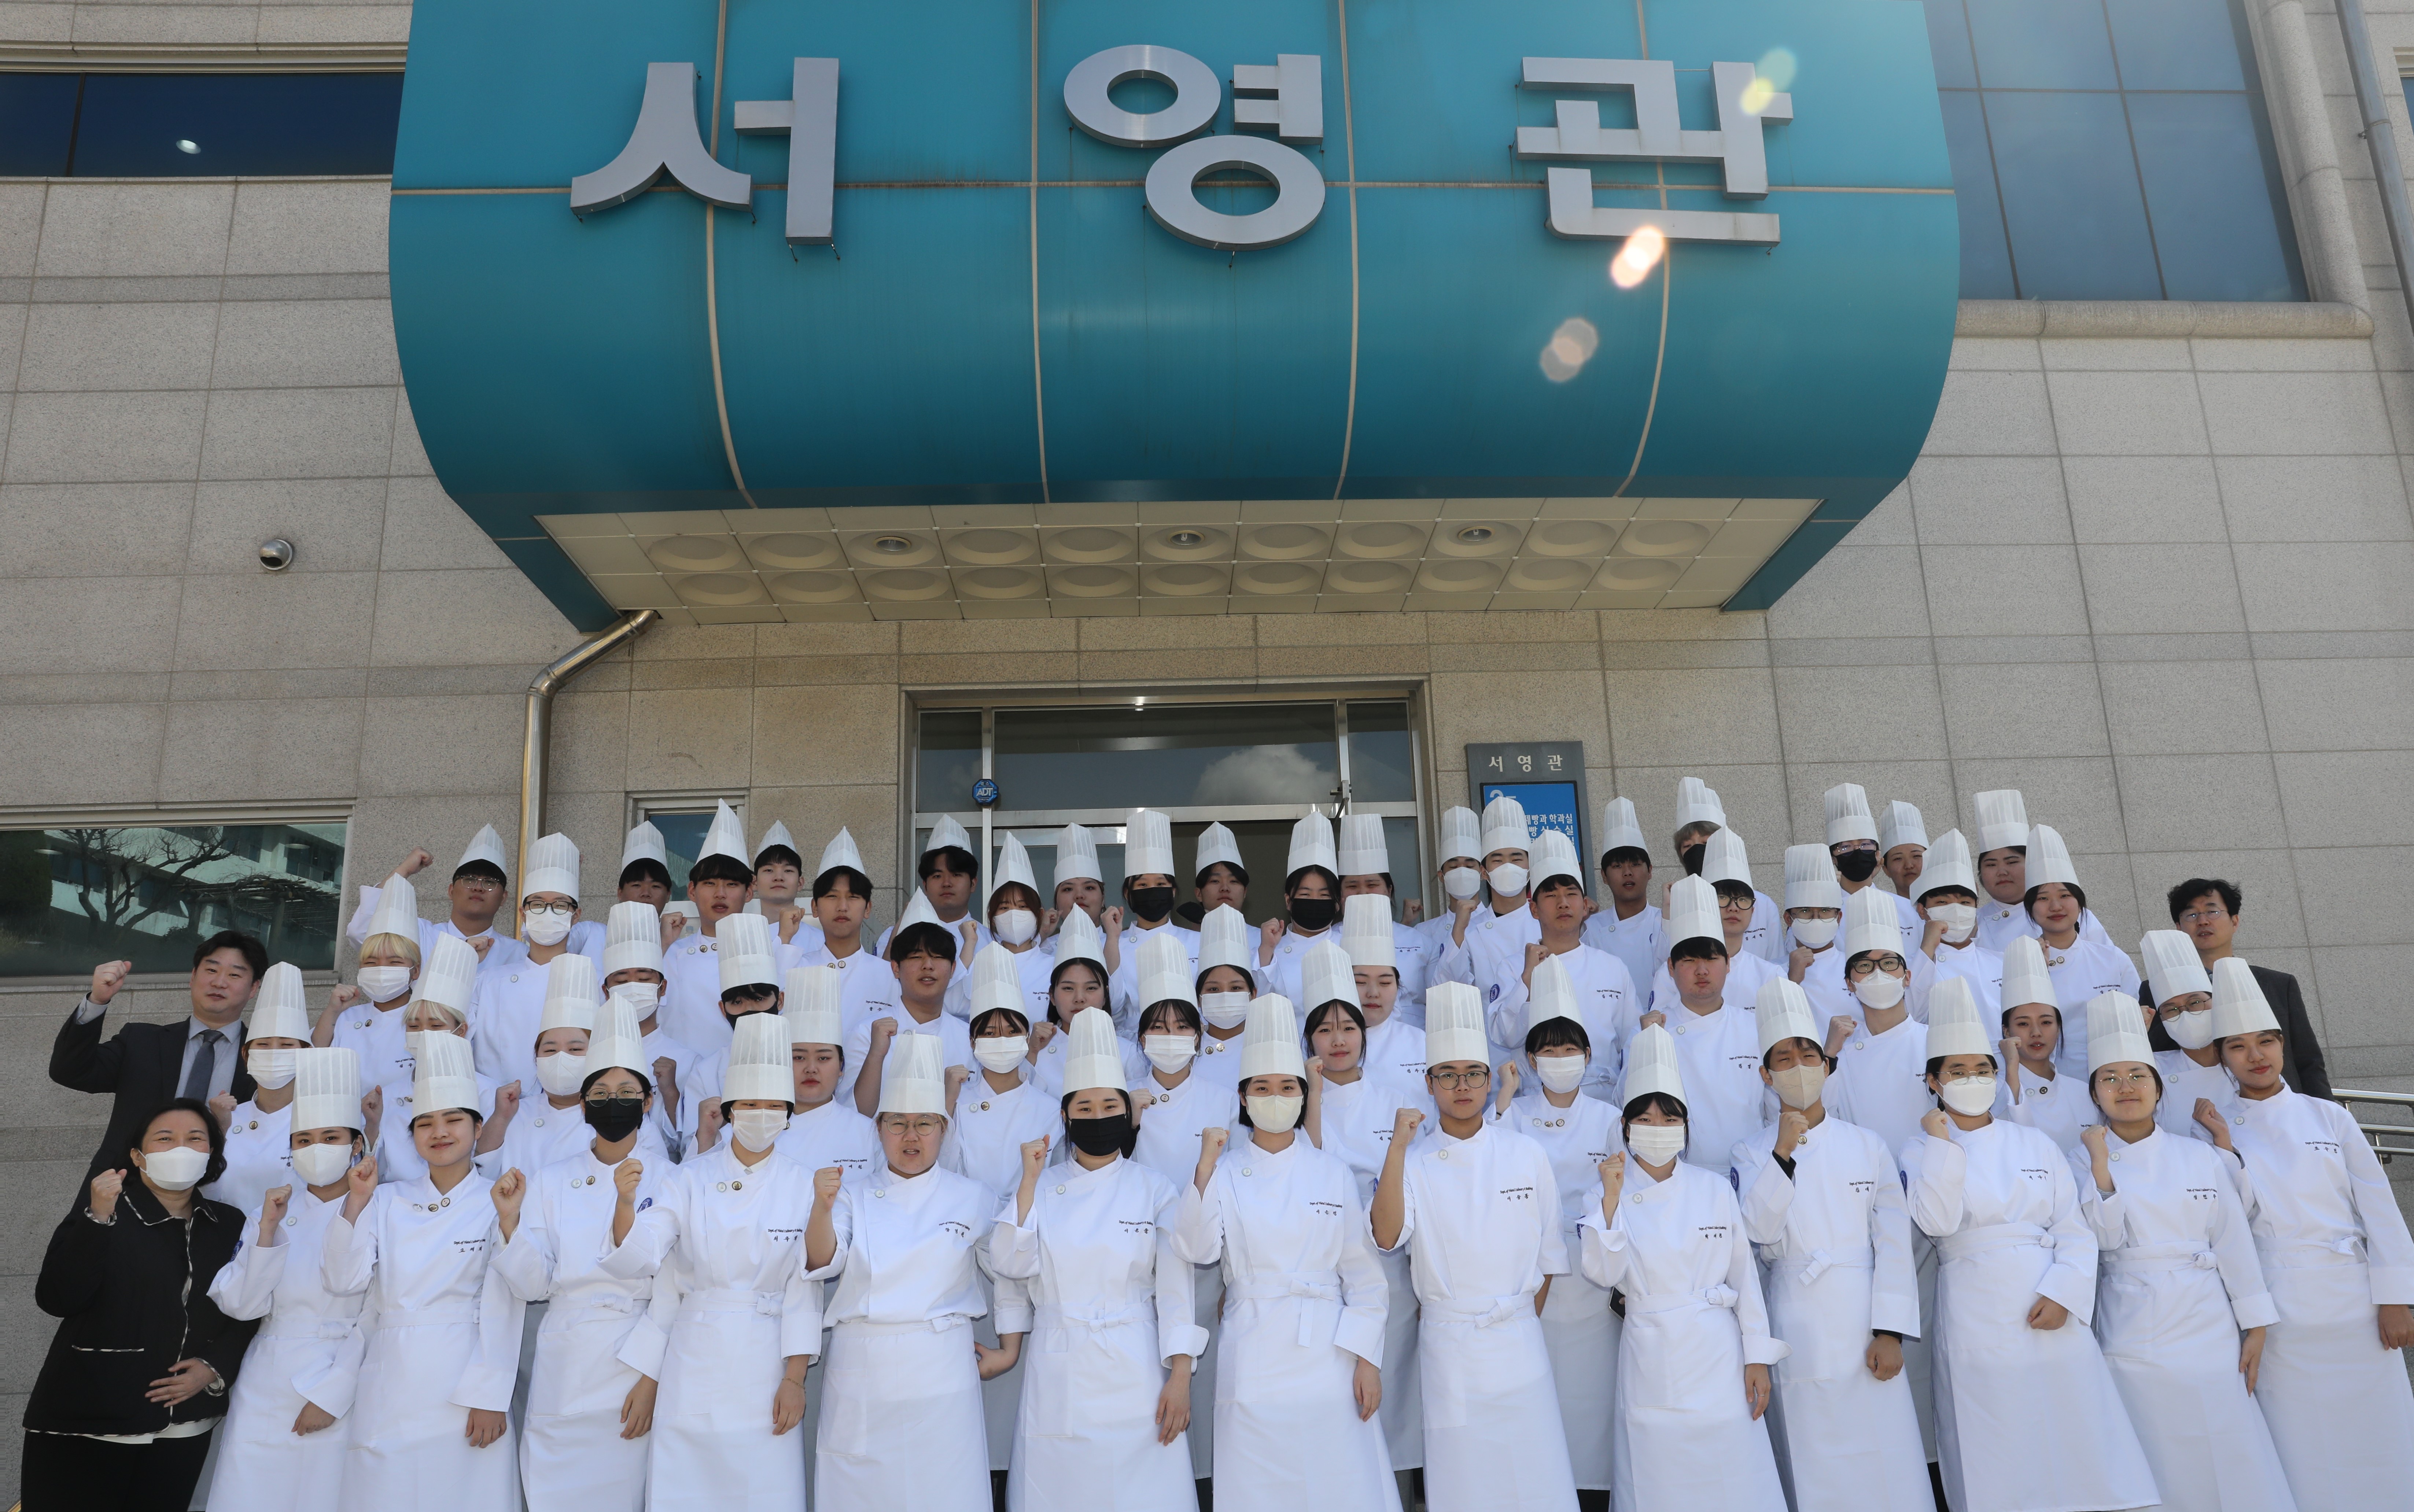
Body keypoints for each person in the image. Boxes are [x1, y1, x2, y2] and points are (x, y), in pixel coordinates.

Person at [1900, 978, 2157, 1512]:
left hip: (2050, 1302)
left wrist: (2063, 1292)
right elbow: (1937, 1222)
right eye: (1957, 1071)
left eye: (1981, 1069)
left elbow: (2072, 1227)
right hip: (1976, 1309)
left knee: (2076, 1431)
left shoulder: (2032, 1140)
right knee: (1996, 1439)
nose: (1972, 1079)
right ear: (1932, 1081)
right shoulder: (1919, 1149)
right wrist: (1942, 1144)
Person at [2070, 991, 2296, 1512]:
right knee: (2155, 1451)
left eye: (2137, 1075)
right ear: (2094, 1094)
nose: (2125, 1087)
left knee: (2227, 1442)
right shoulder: (2077, 1160)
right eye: (2109, 1078)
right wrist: (2100, 1166)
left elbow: (2233, 1241)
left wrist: (2255, 1324)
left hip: (2209, 1326)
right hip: (2129, 1327)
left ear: (2157, 1088)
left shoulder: (2198, 1155)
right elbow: (2102, 1241)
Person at [2202, 957, 2414, 1508]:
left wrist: (2394, 1297)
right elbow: (2226, 1227)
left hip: (2356, 1304)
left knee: (2379, 1430)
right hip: (2280, 1311)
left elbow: (2379, 1208)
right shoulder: (2212, 1127)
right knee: (2300, 1441)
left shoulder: (2328, 1116)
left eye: (2266, 1041)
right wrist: (2223, 1151)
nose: (2255, 1055)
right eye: (2238, 1046)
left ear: (2281, 1046)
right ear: (2221, 1057)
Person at [1175, 993, 1398, 1512]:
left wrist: (1367, 1360)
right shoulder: (1224, 1172)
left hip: (1329, 1354)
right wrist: (1203, 1170)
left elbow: (1364, 1279)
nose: (1274, 1096)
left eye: (1286, 1087)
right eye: (1261, 1087)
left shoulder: (1331, 1171)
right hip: (1253, 1348)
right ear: (1243, 1098)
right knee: (1259, 1484)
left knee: (1338, 1481)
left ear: (1302, 1095)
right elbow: (1196, 1248)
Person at [601, 1011, 820, 1510]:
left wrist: (794, 1378)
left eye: (773, 1105)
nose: (761, 1114)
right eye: (749, 1104)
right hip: (693, 1361)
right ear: (729, 1110)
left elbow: (804, 1289)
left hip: (766, 1364)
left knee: (763, 1492)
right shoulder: (688, 1178)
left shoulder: (804, 1184)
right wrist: (624, 1205)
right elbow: (649, 1263)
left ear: (788, 1114)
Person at [1374, 981, 1577, 1512]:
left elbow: (1548, 1259)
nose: (1461, 1085)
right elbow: (1386, 1235)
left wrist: (1514, 1321)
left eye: (1472, 1073)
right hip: (1451, 1348)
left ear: (1489, 1080)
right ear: (1429, 1083)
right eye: (1447, 1074)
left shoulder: (1526, 1153)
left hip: (1519, 1342)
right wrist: (1395, 1149)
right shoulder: (1412, 1161)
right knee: (1464, 1484)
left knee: (1535, 1479)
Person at [991, 1008, 1203, 1509]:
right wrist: (1027, 1182)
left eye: (1109, 1105)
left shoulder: (1154, 1188)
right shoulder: (1039, 1187)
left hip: (1137, 1363)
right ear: (1065, 1118)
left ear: (1126, 1113)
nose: (1096, 1116)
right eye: (1083, 1107)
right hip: (1060, 1362)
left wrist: (1179, 1376)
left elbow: (1176, 1291)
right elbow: (1010, 1265)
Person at [1730, 980, 1928, 1512]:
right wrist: (1782, 1154)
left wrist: (1889, 1330)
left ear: (1825, 1064)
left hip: (1865, 1320)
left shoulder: (1867, 1144)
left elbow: (1892, 1244)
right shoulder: (1748, 1152)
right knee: (1814, 1457)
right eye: (1783, 1059)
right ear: (1765, 1075)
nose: (1798, 1067)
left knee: (1884, 1453)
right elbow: (1758, 1231)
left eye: (1808, 1055)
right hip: (1797, 1318)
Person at [1578, 1024, 1787, 1512]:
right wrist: (1610, 1200)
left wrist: (1756, 1356)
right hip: (1652, 1354)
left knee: (1732, 1475)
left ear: (1685, 1126)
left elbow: (1744, 1278)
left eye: (1669, 1118)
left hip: (1718, 1355)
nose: (1657, 1127)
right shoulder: (1603, 1193)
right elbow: (1603, 1273)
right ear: (1626, 1126)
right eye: (1644, 1118)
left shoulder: (1712, 1187)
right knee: (1659, 1477)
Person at [321, 1033, 527, 1512]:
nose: (439, 1132)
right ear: (411, 1134)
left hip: (464, 1386)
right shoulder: (386, 1198)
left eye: (453, 1119)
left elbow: (514, 1296)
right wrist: (355, 1202)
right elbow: (344, 1281)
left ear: (478, 1127)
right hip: (390, 1381)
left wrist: (490, 1394)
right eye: (425, 1123)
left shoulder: (499, 1198)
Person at [23, 1098, 258, 1511]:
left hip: (185, 1421)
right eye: (165, 1139)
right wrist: (97, 1219)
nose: (181, 1148)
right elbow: (58, 1298)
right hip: (90, 1417)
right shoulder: (103, 1213)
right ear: (137, 1156)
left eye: (195, 1139)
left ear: (211, 1152)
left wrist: (213, 1367)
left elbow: (248, 1309)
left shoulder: (231, 1224)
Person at [805, 1033, 1002, 1512]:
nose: (910, 1136)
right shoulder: (851, 1194)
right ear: (878, 1129)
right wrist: (821, 1208)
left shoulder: (973, 1197)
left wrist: (1012, 1345)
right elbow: (823, 1261)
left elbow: (1010, 1269)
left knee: (946, 1493)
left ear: (943, 1128)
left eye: (924, 1124)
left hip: (941, 1367)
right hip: (863, 1366)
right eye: (897, 1123)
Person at [489, 993, 670, 1512]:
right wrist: (510, 1222)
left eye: (627, 1092)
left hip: (631, 1360)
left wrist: (649, 1377)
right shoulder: (550, 1180)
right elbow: (533, 1284)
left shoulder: (675, 1179)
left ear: (648, 1102)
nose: (614, 1101)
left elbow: (673, 1287)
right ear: (585, 1103)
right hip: (563, 1363)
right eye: (602, 1092)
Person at [203, 1047, 371, 1512]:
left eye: (331, 1137)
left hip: (341, 1374)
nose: (316, 1148)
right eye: (304, 1139)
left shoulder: (382, 1208)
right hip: (264, 1376)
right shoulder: (271, 1209)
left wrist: (332, 1395)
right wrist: (267, 1233)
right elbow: (241, 1304)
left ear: (356, 1145)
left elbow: (377, 1313)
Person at [1490, 957, 1620, 1508]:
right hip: (1531, 1279)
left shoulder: (1610, 1117)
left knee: (1592, 1401)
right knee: (1538, 1404)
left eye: (1570, 1049)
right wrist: (1501, 1101)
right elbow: (1489, 1174)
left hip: (1594, 1280)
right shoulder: (1513, 1115)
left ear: (1588, 1055)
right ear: (1529, 1059)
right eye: (1548, 1049)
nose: (1560, 1059)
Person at [1300, 940, 1427, 1490]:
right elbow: (1303, 1171)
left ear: (1363, 1035)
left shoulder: (1394, 1101)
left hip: (1386, 1269)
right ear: (1308, 1039)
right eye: (1325, 1029)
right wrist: (1310, 1096)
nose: (1337, 1040)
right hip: (1316, 1272)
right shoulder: (1289, 1102)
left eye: (1348, 1028)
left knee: (1391, 1401)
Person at [1818, 885, 1938, 1462]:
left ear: (1907, 974)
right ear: (1848, 982)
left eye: (1888, 963)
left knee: (1934, 1351)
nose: (1877, 974)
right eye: (1863, 966)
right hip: (1867, 1224)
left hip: (1935, 1218)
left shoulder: (1935, 1043)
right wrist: (1829, 1052)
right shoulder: (1842, 1057)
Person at [1124, 932, 1241, 1489]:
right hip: (1135, 1264)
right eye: (1157, 1026)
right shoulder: (1119, 1099)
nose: (1169, 1037)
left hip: (1206, 1263)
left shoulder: (1222, 1099)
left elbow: (1237, 1187)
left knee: (1206, 1394)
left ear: (1198, 1036)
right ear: (1140, 1036)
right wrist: (1129, 1123)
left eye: (1180, 1026)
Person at [54, 929, 265, 1181]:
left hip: (223, 1190)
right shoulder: (141, 1041)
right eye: (211, 970)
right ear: (193, 977)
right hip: (129, 1186)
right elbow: (70, 1071)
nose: (219, 982)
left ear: (254, 988)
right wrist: (97, 1002)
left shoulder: (266, 1057)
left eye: (234, 975)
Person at [1632, 877, 1768, 1172]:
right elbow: (1628, 1104)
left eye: (1711, 959)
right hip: (1680, 1177)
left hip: (1752, 1170)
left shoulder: (1755, 1028)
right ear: (1671, 968)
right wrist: (1647, 1047)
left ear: (1728, 964)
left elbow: (1774, 1107)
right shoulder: (1652, 1031)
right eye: (1690, 961)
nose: (1702, 971)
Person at [1484, 830, 1633, 1097]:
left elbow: (1631, 1041)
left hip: (1603, 1099)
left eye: (1571, 894)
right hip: (1534, 1101)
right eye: (1551, 896)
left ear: (1585, 905)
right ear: (1534, 909)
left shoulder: (1612, 968)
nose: (1563, 904)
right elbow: (1505, 1037)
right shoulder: (1512, 967)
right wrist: (1527, 981)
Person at [2162, 879, 2330, 1098]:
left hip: (2275, 1106)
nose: (2203, 921)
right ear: (2179, 928)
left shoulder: (2278, 984)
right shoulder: (2160, 993)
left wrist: (2324, 1111)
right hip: (2195, 1105)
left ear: (2235, 921)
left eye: (2212, 912)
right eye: (2191, 915)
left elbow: (2308, 1061)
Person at [367, 936, 502, 1188]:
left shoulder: (488, 1092)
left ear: (461, 1031)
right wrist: (372, 1126)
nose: (424, 1034)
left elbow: (491, 1168)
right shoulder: (389, 1095)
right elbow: (377, 1169)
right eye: (414, 1026)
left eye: (436, 1025)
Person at [469, 831, 590, 1094]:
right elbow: (455, 1039)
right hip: (493, 1108)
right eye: (537, 904)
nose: (548, 912)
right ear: (523, 914)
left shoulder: (593, 983)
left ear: (576, 915)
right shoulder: (488, 982)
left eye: (560, 905)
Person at [2023, 826, 2141, 1080]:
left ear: (2080, 904)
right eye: (2043, 899)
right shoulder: (2020, 963)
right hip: (2047, 1081)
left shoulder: (2113, 959)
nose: (2055, 906)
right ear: (2030, 909)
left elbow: (2136, 1022)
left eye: (2064, 895)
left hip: (2112, 1079)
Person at [342, 827, 527, 982]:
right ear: (451, 891)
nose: (478, 887)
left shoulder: (519, 954)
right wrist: (404, 870)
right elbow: (362, 931)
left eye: (490, 882)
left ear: (503, 898)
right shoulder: (419, 935)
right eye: (469, 879)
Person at [207, 961, 317, 1216]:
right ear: (246, 1054)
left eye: (286, 1045)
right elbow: (201, 1187)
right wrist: (219, 1130)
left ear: (307, 1054)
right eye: (263, 1045)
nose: (274, 1053)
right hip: (226, 1234)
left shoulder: (319, 1122)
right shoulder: (226, 1117)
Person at [846, 908, 975, 1113]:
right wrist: (876, 1055)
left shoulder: (968, 1039)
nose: (928, 966)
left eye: (938, 957)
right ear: (896, 968)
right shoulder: (866, 1033)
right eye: (916, 957)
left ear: (953, 969)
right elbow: (854, 1113)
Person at [657, 802, 756, 1053]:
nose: (720, 894)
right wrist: (663, 946)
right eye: (710, 883)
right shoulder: (670, 954)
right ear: (692, 891)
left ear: (749, 893)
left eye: (732, 884)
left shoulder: (770, 951)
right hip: (680, 1074)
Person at [790, 827, 900, 1051]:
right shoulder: (795, 969)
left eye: (853, 897)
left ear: (868, 908)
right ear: (815, 907)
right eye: (832, 896)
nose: (842, 907)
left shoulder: (890, 976)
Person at [600, 898, 694, 1156]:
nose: (633, 986)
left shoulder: (686, 1061)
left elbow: (688, 1143)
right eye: (621, 981)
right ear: (606, 992)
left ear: (662, 989)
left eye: (643, 978)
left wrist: (670, 1092)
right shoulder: (589, 1055)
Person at [1967, 790, 2115, 955]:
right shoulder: (1971, 923)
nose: (2002, 872)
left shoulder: (2071, 914)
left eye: (2012, 862)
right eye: (1991, 865)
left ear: (2032, 866)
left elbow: (2105, 960)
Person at [1993, 937, 2098, 1152]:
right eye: (2023, 1024)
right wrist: (2012, 1072)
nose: (2036, 1033)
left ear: (2059, 1028)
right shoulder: (1993, 1092)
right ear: (2006, 1031)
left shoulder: (2084, 1093)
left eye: (2046, 1022)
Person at [320, 873, 422, 1089]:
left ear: (415, 971)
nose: (382, 969)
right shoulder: (348, 1018)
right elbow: (313, 1058)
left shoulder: (427, 1019)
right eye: (371, 962)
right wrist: (333, 1011)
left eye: (394, 962)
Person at [1434, 794, 1539, 1000]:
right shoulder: (1470, 931)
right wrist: (1458, 932)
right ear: (1484, 872)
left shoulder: (1548, 923)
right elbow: (1446, 989)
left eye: (1516, 859)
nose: (1507, 867)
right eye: (1498, 860)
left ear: (1531, 867)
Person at [1028, 907, 1141, 1098]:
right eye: (1068, 988)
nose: (1079, 998)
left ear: (1105, 995)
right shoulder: (1036, 1050)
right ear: (1052, 996)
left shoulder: (1127, 1052)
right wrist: (1032, 1054)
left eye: (1091, 988)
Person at [1335, 812, 1435, 1028]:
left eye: (1372, 885)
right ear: (1340, 895)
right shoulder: (1328, 942)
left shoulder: (1421, 942)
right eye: (1352, 886)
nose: (1363, 893)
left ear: (1389, 891)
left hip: (1414, 1039)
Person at [1666, 778, 1782, 963]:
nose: (1697, 851)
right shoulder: (1680, 905)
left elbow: (1776, 960)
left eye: (1706, 843)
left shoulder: (1763, 905)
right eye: (1688, 846)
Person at [2135, 929, 2234, 1134]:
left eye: (2195, 1003)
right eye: (2171, 1009)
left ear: (2216, 1002)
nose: (2185, 1014)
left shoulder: (2246, 1062)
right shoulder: (2152, 1070)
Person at [1109, 809, 1198, 1025]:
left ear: (1173, 892)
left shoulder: (1198, 941)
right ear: (1128, 894)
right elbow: (1113, 1006)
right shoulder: (1113, 946)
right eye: (1142, 885)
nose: (1152, 891)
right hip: (1132, 1038)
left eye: (1160, 884)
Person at [1345, 894, 1430, 1097]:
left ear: (1398, 987)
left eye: (1385, 983)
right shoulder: (1322, 1043)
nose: (1373, 993)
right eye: (1360, 982)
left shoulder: (1420, 1042)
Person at [1909, 830, 2003, 1012]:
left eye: (1965, 903)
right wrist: (1927, 949)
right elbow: (1912, 1013)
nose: (1956, 910)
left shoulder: (2002, 963)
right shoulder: (1910, 967)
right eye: (1943, 903)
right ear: (1922, 910)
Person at [1260, 812, 1345, 1010]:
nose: (1315, 901)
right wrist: (1266, 951)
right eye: (1305, 895)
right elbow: (1255, 1002)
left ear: (1337, 904)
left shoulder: (1350, 946)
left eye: (1324, 895)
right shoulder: (1268, 951)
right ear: (1288, 901)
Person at [872, 815, 985, 961]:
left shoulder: (991, 941)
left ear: (973, 884)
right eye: (937, 876)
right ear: (925, 886)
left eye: (956, 875)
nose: (947, 883)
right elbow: (884, 973)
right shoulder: (893, 936)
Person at [1581, 797, 1663, 998]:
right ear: (1604, 876)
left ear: (1650, 871)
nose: (1627, 873)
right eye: (1618, 866)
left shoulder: (1665, 923)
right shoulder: (1590, 928)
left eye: (1635, 864)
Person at [1825, 783, 1921, 955]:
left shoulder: (1904, 908)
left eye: (1865, 845)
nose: (1857, 852)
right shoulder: (1825, 912)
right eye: (1846, 847)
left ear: (1877, 854)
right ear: (1833, 858)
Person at [983, 834, 1057, 1022]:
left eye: (1023, 907)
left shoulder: (1055, 967)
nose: (1014, 914)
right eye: (1004, 908)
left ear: (1039, 914)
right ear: (993, 918)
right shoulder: (981, 965)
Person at [1781, 842, 1849, 1022]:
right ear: (1789, 919)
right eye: (1805, 911)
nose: (1816, 919)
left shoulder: (1855, 966)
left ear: (1839, 918)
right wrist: (1792, 980)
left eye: (1825, 911)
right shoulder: (1772, 971)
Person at [1191, 903, 1258, 1070]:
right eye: (1213, 989)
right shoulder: (1186, 1052)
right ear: (1198, 998)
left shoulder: (1266, 1048)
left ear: (1253, 994)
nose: (1225, 996)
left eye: (1236, 988)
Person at [1188, 821, 1249, 928]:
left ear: (1245, 893)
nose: (1225, 888)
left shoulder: (1262, 936)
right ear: (1199, 894)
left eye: (1234, 881)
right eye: (1215, 881)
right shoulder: (1185, 938)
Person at [615, 820, 674, 912]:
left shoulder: (678, 923)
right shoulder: (597, 923)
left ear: (668, 895)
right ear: (620, 893)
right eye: (637, 885)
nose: (646, 893)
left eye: (656, 886)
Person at [1876, 800, 1927, 903]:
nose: (1909, 866)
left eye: (1916, 856)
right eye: (1898, 859)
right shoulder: (1884, 911)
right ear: (1886, 870)